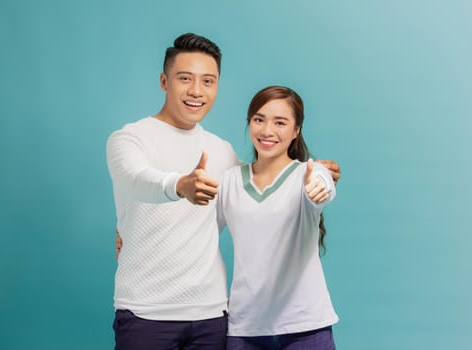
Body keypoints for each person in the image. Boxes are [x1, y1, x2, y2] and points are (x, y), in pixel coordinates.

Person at [107, 33, 341, 350]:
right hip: (147, 311)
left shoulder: (222, 153)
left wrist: (321, 178)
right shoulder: (129, 139)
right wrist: (174, 191)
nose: (196, 91)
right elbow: (136, 179)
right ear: (164, 81)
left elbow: (267, 188)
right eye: (185, 79)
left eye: (208, 81)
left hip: (212, 315)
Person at [218, 86, 338, 350]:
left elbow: (323, 184)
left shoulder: (308, 173)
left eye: (280, 122)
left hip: (305, 328)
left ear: (296, 131)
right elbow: (198, 231)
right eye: (259, 119)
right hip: (244, 329)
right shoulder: (230, 180)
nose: (267, 131)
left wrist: (320, 189)